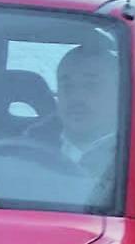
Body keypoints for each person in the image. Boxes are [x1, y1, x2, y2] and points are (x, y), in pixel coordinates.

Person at [51, 43, 120, 172]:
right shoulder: (23, 151)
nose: (76, 97)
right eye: (67, 86)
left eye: (91, 85)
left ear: (120, 93)